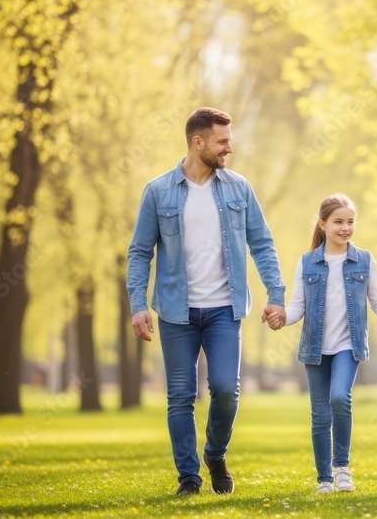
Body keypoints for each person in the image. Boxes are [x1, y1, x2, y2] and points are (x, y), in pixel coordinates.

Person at [127, 107, 286, 496]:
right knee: (180, 396)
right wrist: (138, 303)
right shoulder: (158, 191)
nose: (229, 149)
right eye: (223, 141)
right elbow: (139, 252)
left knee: (226, 389)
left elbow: (262, 244)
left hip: (223, 311)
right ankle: (189, 478)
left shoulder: (238, 188)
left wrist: (276, 294)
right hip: (176, 313)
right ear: (198, 142)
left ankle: (214, 454)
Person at [267, 193, 377, 494]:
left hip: (349, 345)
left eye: (350, 221)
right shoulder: (307, 262)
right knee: (320, 413)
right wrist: (281, 317)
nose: (345, 228)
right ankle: (324, 479)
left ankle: (342, 468)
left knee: (339, 398)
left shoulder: (364, 260)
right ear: (322, 225)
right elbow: (297, 307)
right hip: (315, 347)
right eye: (338, 222)